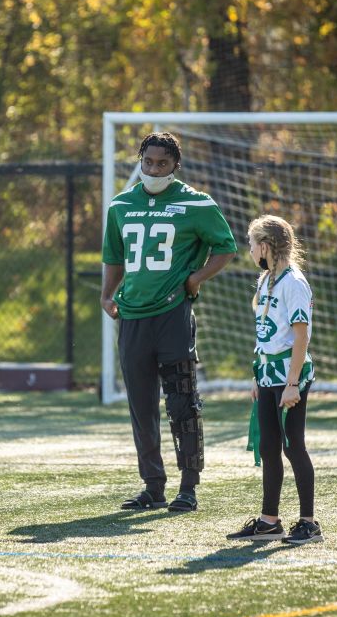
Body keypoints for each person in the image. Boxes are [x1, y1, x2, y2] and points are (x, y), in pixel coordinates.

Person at [101, 132, 237, 512]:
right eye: (148, 162)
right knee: (141, 406)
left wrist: (195, 279)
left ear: (176, 165)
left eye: (162, 164)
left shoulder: (197, 204)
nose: (154, 169)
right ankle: (153, 486)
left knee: (182, 402)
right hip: (132, 317)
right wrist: (107, 294)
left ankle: (188, 487)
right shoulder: (120, 205)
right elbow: (114, 255)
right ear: (139, 161)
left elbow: (226, 248)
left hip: (173, 315)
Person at [226, 216, 322, 544]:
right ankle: (269, 521)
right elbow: (265, 334)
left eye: (253, 244)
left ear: (266, 245)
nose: (250, 250)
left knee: (293, 445)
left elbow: (301, 337)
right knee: (269, 446)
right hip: (267, 374)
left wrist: (293, 383)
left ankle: (309, 522)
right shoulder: (265, 280)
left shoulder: (294, 282)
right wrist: (257, 374)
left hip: (289, 375)